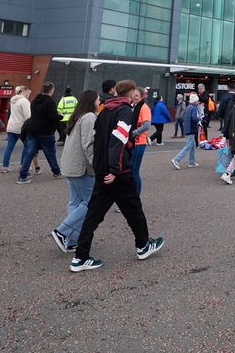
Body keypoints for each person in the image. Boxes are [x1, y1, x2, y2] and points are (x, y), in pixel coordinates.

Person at [70, 80, 165, 272]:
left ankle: (80, 257)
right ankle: (143, 245)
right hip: (118, 172)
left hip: (102, 169)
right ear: (130, 94)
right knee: (133, 208)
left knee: (94, 214)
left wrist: (102, 167)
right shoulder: (125, 111)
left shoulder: (105, 111)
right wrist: (114, 170)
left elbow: (98, 140)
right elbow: (117, 141)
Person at [52, 90, 99, 253]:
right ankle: (62, 231)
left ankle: (71, 240)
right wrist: (97, 165)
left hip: (69, 165)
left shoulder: (77, 116)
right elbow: (89, 144)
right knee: (91, 202)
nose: (99, 102)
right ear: (92, 101)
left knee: (75, 202)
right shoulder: (89, 117)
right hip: (81, 168)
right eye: (98, 99)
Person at [18, 83, 63, 183]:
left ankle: (22, 175)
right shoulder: (50, 102)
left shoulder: (34, 101)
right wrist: (60, 116)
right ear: (51, 91)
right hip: (46, 131)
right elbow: (52, 117)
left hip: (32, 130)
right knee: (50, 153)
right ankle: (56, 172)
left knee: (30, 152)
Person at [130, 92, 153, 195]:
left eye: (136, 96)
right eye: (132, 95)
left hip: (139, 143)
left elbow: (147, 125)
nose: (134, 98)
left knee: (134, 172)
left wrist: (134, 132)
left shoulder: (144, 108)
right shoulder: (134, 108)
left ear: (142, 96)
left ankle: (135, 199)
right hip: (132, 142)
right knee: (130, 172)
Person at [171, 95, 202, 169]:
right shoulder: (194, 108)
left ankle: (192, 162)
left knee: (192, 145)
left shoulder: (188, 107)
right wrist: (200, 119)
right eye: (197, 101)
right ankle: (176, 159)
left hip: (187, 128)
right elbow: (194, 118)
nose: (198, 102)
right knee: (189, 145)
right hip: (191, 128)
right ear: (195, 101)